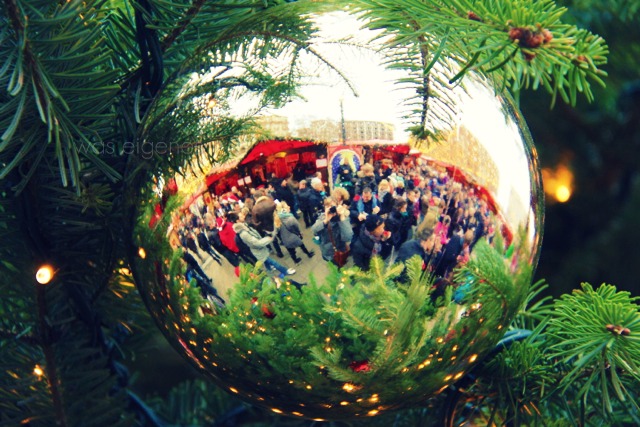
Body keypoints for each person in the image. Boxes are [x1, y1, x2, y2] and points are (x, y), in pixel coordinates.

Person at [234, 209, 296, 277]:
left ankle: (272, 277)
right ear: (237, 221)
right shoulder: (243, 233)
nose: (243, 216)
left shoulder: (244, 226)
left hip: (260, 249)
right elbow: (256, 243)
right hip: (259, 251)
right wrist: (268, 239)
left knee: (267, 265)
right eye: (241, 216)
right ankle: (285, 271)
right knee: (273, 262)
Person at [311, 199, 353, 266]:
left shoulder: (342, 218)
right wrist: (325, 221)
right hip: (328, 252)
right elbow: (313, 230)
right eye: (327, 206)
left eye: (332, 207)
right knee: (334, 266)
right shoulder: (322, 218)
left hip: (340, 249)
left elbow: (348, 237)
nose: (331, 209)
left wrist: (342, 217)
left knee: (341, 263)